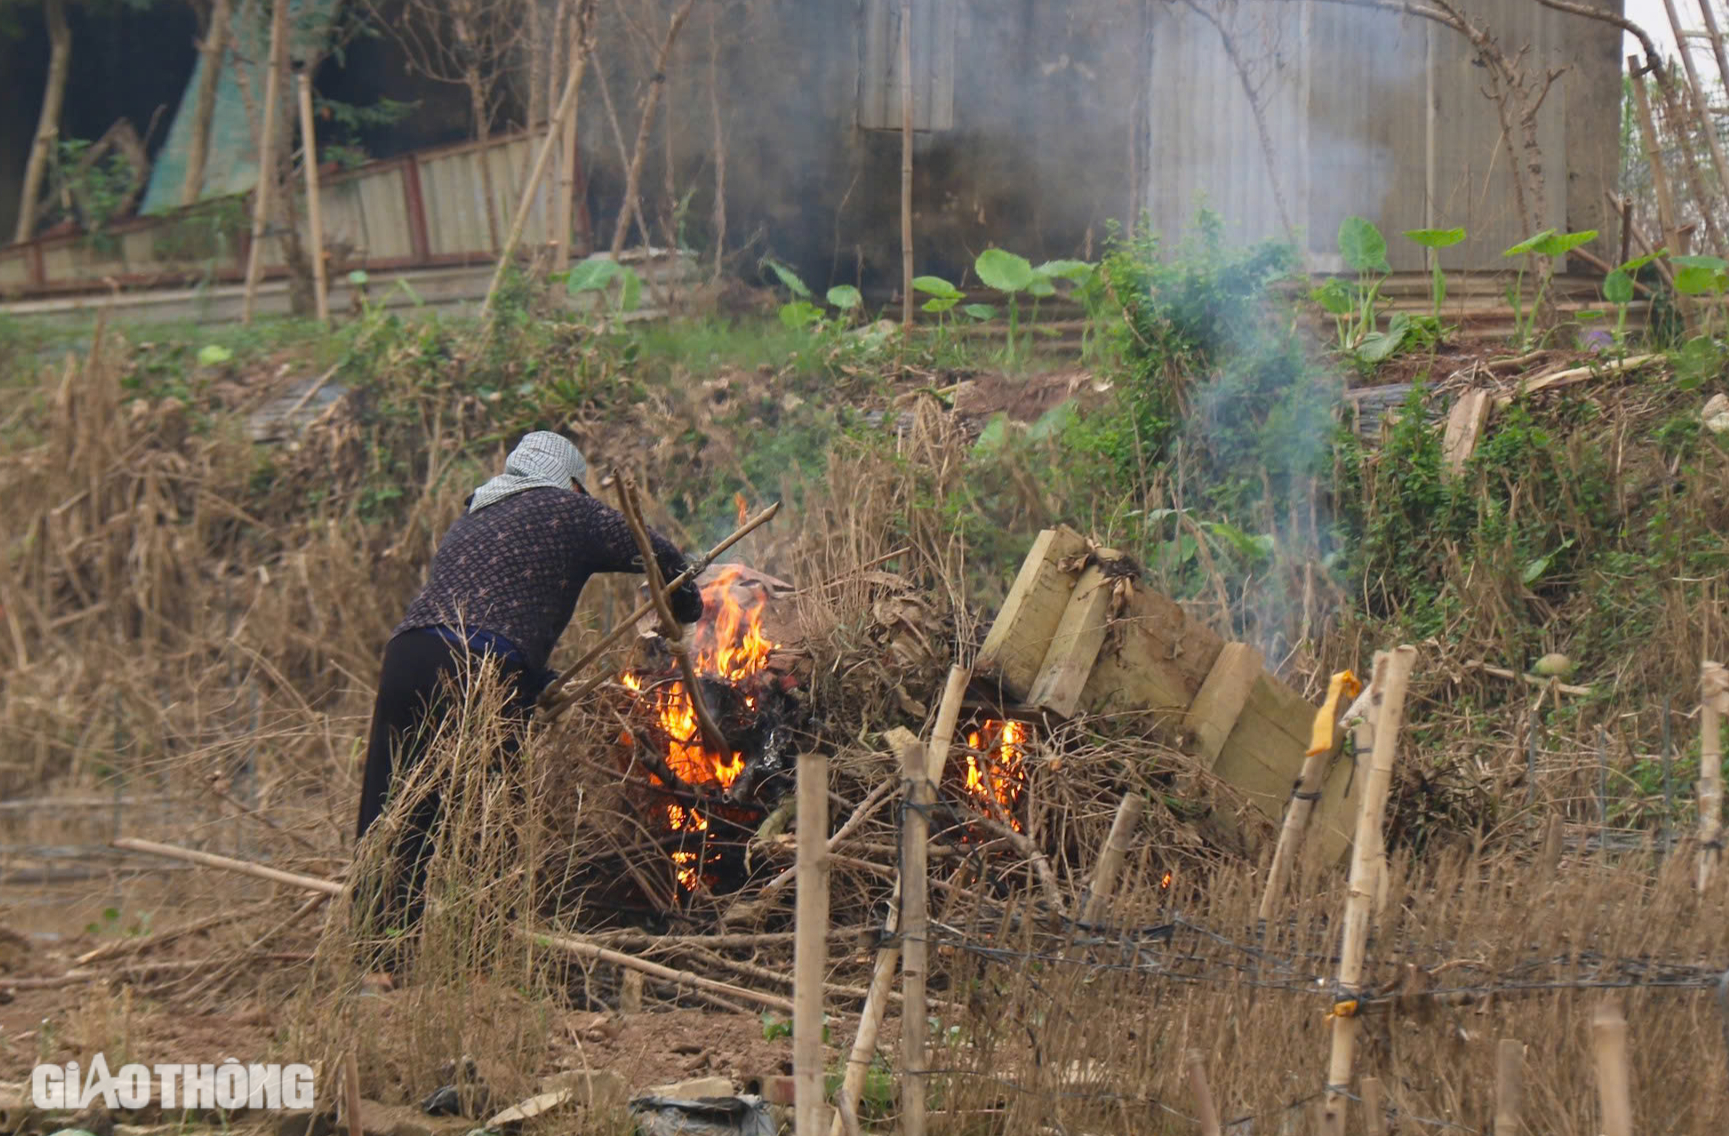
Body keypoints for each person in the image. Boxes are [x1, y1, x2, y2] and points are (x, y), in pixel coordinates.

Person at [353, 431, 703, 953]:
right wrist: (688, 604)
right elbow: (653, 549)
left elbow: (480, 607)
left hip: (408, 655)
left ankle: (376, 959)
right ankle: (481, 954)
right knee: (490, 814)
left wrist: (538, 681)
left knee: (397, 807)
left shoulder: (471, 519)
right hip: (481, 667)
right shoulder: (569, 510)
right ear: (569, 481)